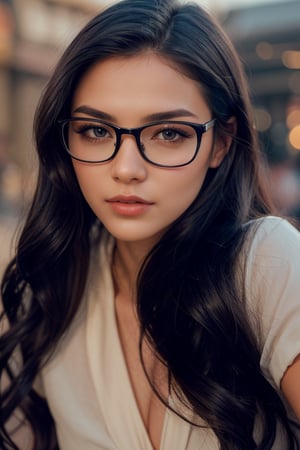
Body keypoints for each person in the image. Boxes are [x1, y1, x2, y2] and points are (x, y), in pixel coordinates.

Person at [0, 0, 300, 448]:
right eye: (97, 131)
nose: (126, 169)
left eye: (168, 134)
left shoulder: (265, 263)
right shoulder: (51, 287)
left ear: (220, 143)